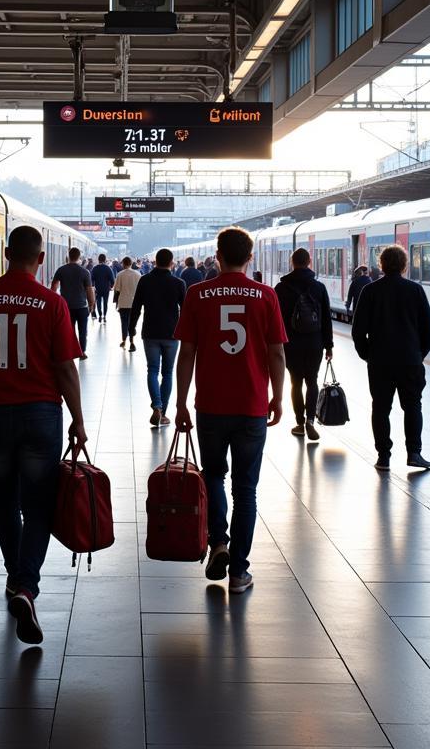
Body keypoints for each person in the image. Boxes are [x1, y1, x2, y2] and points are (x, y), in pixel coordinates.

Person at [0, 225, 88, 645]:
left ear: (7, 253)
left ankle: (14, 580)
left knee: (4, 499)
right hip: (40, 415)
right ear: (42, 259)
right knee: (39, 505)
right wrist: (78, 419)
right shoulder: (53, 302)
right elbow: (66, 368)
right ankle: (27, 586)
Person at [174, 227, 286, 593]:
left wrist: (179, 402)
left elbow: (186, 353)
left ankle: (218, 542)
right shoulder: (265, 296)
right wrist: (279, 396)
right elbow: (276, 353)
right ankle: (239, 571)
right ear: (250, 258)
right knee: (247, 490)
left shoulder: (197, 294)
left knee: (213, 477)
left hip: (210, 406)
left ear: (217, 256)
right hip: (252, 406)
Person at [351, 244, 430, 472]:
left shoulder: (370, 291)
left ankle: (383, 456)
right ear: (405, 265)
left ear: (382, 265)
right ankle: (414, 453)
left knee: (380, 408)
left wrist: (367, 355)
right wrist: (419, 354)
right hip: (409, 360)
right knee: (413, 406)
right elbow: (428, 328)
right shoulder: (415, 290)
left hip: (380, 361)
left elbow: (358, 331)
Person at [274, 248, 333, 442]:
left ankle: (299, 423)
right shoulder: (319, 287)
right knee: (312, 381)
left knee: (295, 382)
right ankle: (310, 420)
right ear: (309, 261)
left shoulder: (281, 288)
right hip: (314, 342)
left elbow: (277, 320)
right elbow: (326, 319)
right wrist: (329, 345)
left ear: (292, 262)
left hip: (290, 343)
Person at [129, 248, 186, 427]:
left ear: (155, 261)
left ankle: (156, 405)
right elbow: (185, 311)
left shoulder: (145, 281)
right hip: (171, 334)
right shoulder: (179, 283)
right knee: (167, 373)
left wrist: (131, 329)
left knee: (152, 370)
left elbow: (136, 306)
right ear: (172, 262)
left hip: (150, 333)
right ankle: (163, 413)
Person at [51, 247, 95, 359]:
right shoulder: (85, 272)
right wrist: (91, 304)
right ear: (79, 257)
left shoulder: (61, 270)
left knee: (68, 330)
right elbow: (89, 290)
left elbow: (54, 287)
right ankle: (82, 352)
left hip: (66, 307)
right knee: (83, 330)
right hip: (81, 306)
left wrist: (53, 302)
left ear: (68, 256)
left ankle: (68, 352)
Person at [112, 257, 141, 351]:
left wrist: (116, 303)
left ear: (123, 264)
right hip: (135, 304)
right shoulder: (138, 274)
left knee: (124, 322)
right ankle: (132, 342)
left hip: (123, 303)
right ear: (131, 263)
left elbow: (117, 290)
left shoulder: (120, 274)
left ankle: (124, 340)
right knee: (132, 323)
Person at [90, 253, 116, 324]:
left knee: (98, 302)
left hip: (97, 288)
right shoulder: (108, 268)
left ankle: (100, 315)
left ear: (98, 259)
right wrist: (111, 287)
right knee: (105, 302)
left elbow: (91, 279)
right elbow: (112, 279)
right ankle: (104, 316)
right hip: (106, 289)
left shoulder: (95, 268)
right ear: (105, 260)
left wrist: (93, 286)